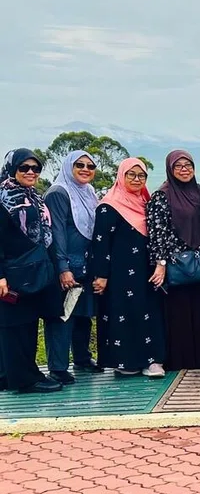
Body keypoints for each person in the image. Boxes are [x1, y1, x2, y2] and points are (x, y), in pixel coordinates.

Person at [90, 158, 166, 378]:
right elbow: (100, 242)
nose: (136, 179)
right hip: (119, 274)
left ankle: (152, 361)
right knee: (123, 313)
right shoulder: (108, 206)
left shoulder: (145, 202)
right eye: (131, 174)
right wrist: (101, 275)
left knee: (149, 313)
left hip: (147, 271)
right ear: (121, 176)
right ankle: (126, 361)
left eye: (141, 175)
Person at [0, 149, 63, 393]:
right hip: (12, 271)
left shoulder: (34, 196)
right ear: (11, 169)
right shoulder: (3, 198)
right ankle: (26, 380)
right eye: (24, 167)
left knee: (25, 324)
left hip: (33, 270)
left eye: (35, 168)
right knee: (14, 325)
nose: (30, 172)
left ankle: (7, 376)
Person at [147, 150, 200, 371]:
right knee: (178, 313)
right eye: (179, 166)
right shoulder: (162, 195)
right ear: (170, 169)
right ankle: (181, 362)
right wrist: (161, 263)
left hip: (199, 262)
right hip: (175, 264)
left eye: (188, 165)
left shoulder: (199, 191)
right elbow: (157, 231)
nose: (184, 169)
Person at [43, 150, 103, 382]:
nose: (86, 169)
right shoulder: (59, 192)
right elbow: (56, 231)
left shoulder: (88, 192)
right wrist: (62, 267)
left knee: (82, 315)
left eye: (91, 165)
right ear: (69, 166)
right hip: (67, 265)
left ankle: (82, 358)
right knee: (62, 316)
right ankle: (58, 367)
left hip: (84, 264)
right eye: (80, 164)